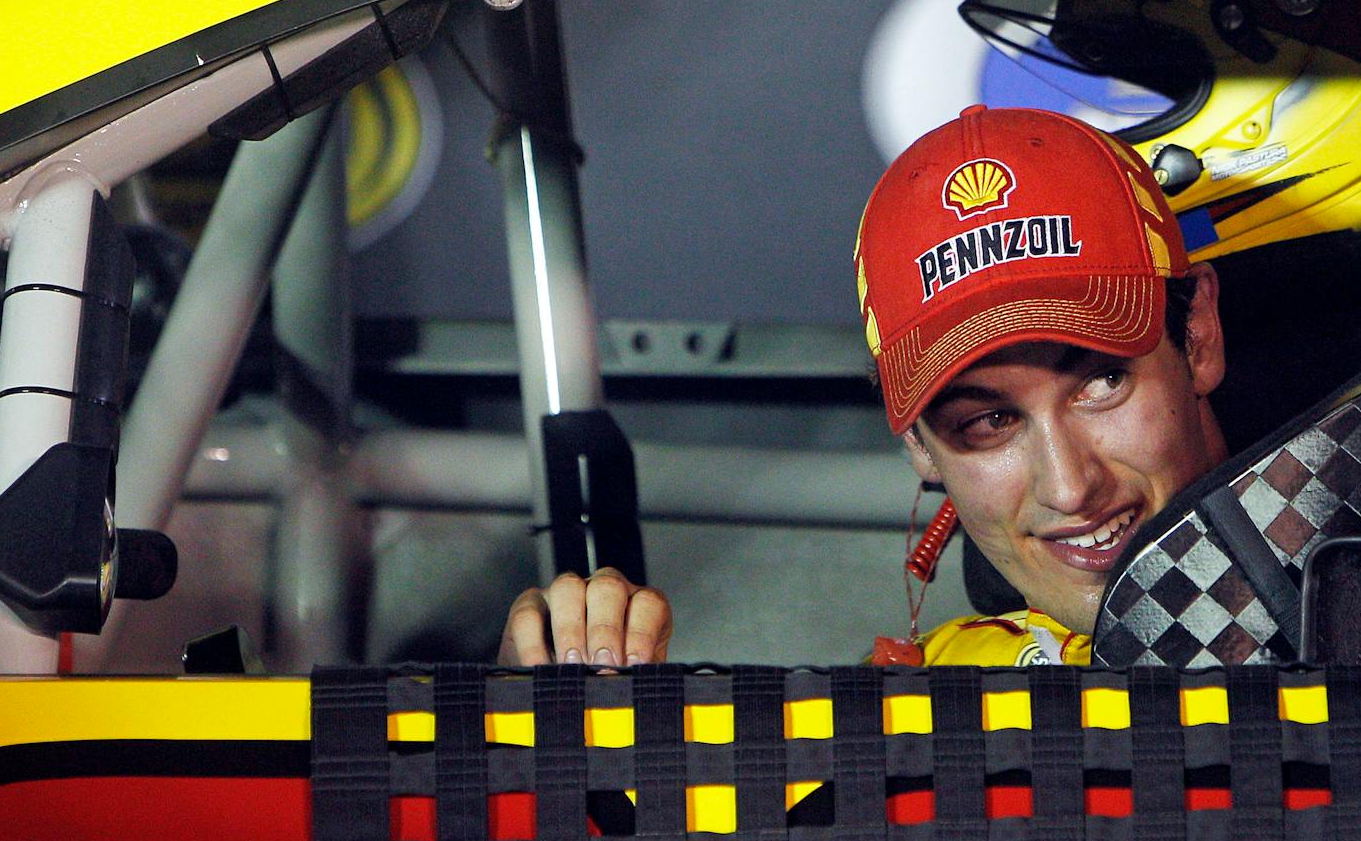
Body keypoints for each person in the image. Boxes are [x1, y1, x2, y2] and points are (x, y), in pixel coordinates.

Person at [501, 103, 1231, 667]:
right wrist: (542, 749)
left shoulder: (1344, 619)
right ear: (916, 442)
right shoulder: (929, 698)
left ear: (1197, 334)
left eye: (1101, 380)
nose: (1070, 486)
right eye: (988, 422)